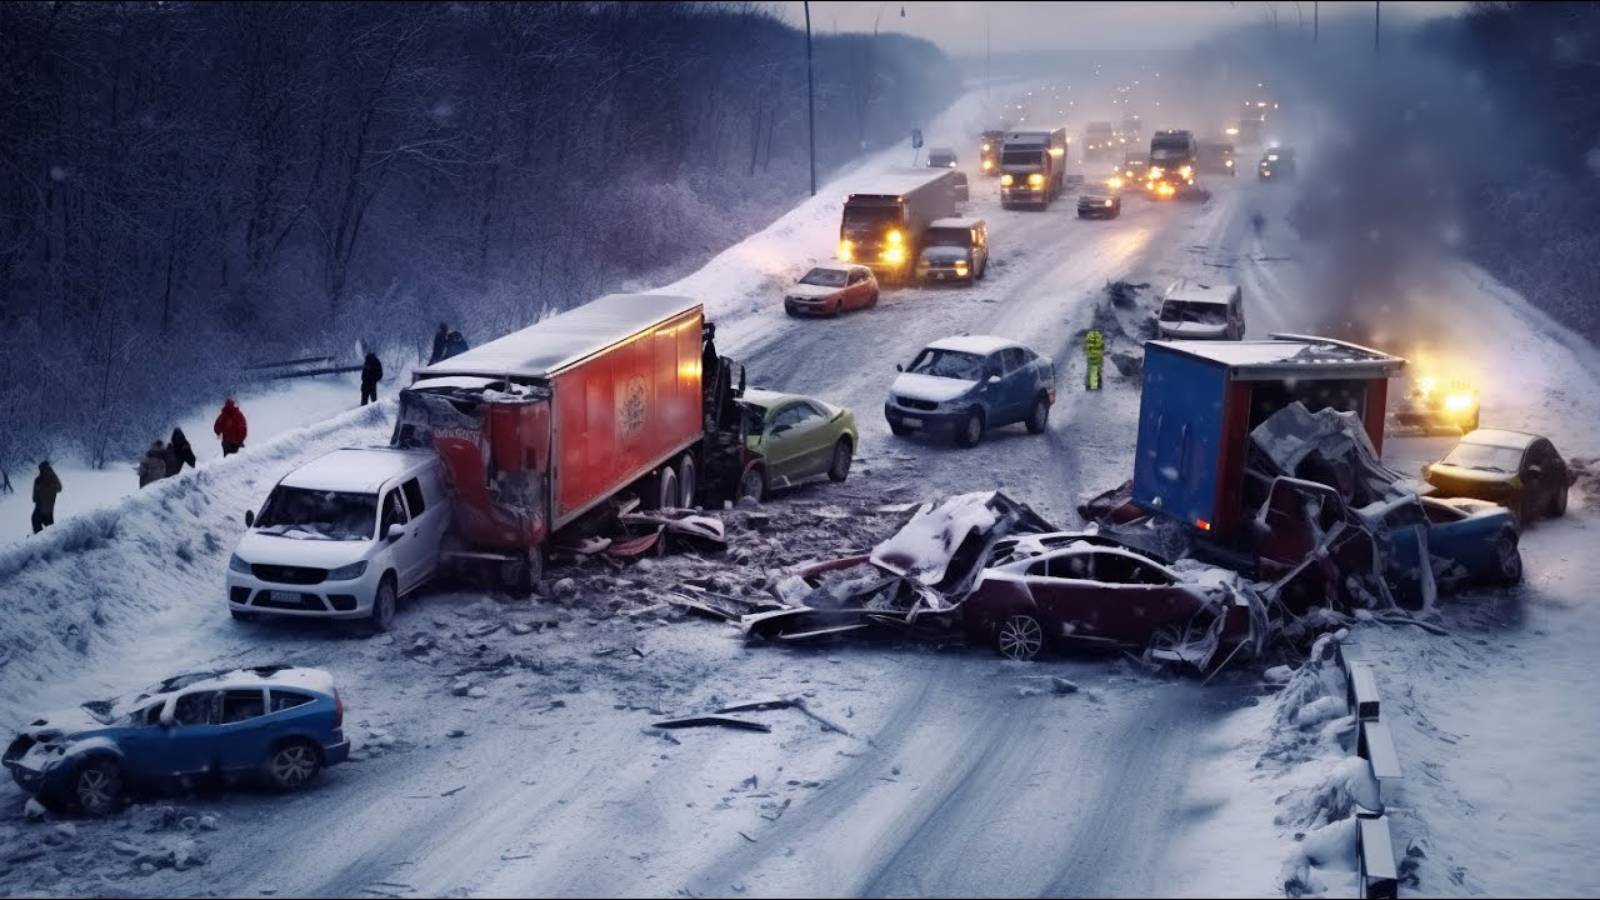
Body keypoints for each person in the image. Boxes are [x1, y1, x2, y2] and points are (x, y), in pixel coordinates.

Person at [31, 461, 61, 534]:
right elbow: (34, 496)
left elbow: (59, 488)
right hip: (40, 505)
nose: (41, 471)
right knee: (37, 521)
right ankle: (41, 538)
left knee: (49, 528)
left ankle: (42, 539)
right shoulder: (39, 479)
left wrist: (47, 487)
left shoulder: (52, 477)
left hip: (47, 507)